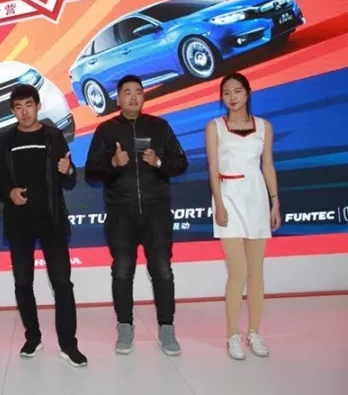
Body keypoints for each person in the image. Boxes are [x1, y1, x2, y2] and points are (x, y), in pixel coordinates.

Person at [85, 75, 188, 357]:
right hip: (121, 213)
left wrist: (158, 162)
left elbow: (180, 163)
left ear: (144, 96)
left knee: (162, 270)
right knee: (122, 270)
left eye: (138, 92)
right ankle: (125, 326)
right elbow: (91, 171)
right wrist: (112, 163)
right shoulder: (106, 130)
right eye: (127, 92)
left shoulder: (159, 126)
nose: (133, 97)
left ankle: (166, 328)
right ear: (118, 99)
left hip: (157, 211)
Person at [0, 84, 87, 367]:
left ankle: (68, 344)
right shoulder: (5, 140)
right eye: (18, 107)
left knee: (62, 282)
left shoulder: (53, 136)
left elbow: (69, 177)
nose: (24, 112)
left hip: (51, 220)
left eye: (29, 105)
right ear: (12, 111)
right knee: (23, 282)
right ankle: (32, 337)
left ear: (38, 106)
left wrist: (67, 171)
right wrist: (9, 192)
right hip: (18, 222)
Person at [205, 73, 280, 360]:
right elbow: (213, 168)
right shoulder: (215, 127)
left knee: (256, 270)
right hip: (229, 197)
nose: (232, 97)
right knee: (238, 271)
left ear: (248, 93)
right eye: (226, 93)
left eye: (237, 91)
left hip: (256, 197)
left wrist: (274, 202)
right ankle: (232, 336)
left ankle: (255, 333)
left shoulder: (264, 127)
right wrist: (219, 203)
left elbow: (267, 165)